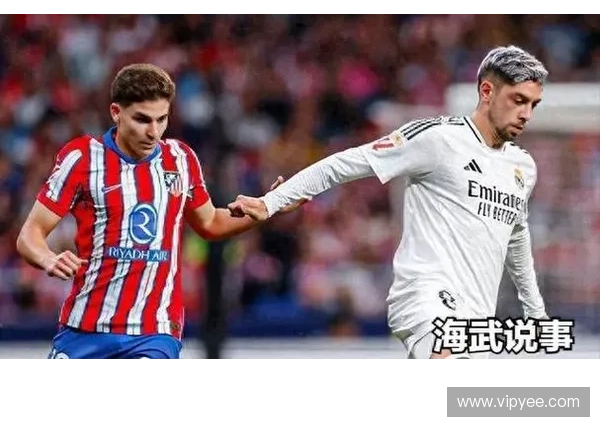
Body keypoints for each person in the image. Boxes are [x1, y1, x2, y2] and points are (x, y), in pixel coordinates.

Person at [228, 45, 549, 362]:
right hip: (425, 297)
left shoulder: (522, 167)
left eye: (533, 105)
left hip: (477, 314)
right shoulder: (438, 138)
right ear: (487, 91)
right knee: (446, 362)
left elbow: (516, 237)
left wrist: (536, 312)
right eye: (518, 100)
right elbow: (348, 162)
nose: (526, 114)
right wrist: (271, 202)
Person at [16, 63, 294, 360]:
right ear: (116, 112)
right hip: (84, 328)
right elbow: (30, 234)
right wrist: (47, 258)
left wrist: (270, 205)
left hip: (155, 332)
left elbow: (211, 222)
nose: (153, 132)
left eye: (162, 119)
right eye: (142, 119)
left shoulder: (181, 159)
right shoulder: (83, 158)